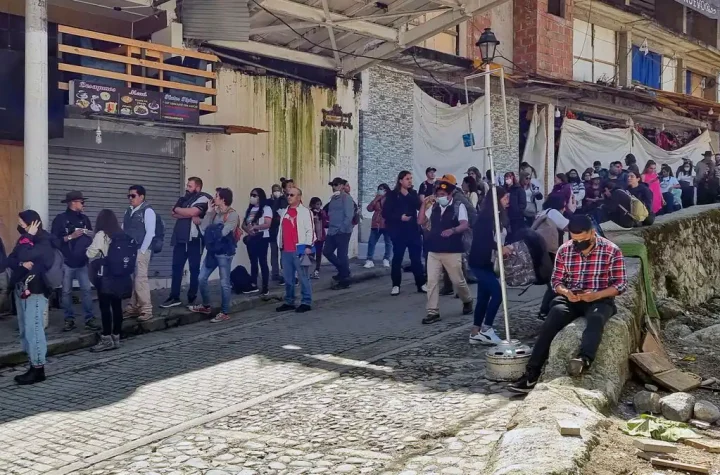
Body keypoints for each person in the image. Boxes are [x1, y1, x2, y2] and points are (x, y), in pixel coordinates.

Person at [509, 215, 627, 393]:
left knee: (596, 319)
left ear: (593, 233)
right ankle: (532, 372)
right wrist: (566, 292)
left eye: (583, 240)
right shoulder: (565, 250)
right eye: (575, 240)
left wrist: (596, 295)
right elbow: (556, 281)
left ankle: (584, 358)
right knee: (553, 316)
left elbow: (620, 284)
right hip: (571, 298)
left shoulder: (611, 250)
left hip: (599, 297)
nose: (579, 245)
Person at [8, 210, 55, 385]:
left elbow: (24, 254)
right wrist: (21, 262)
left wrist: (27, 238)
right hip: (21, 288)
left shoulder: (44, 241)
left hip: (35, 291)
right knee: (25, 331)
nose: (20, 226)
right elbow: (11, 259)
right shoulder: (25, 240)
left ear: (33, 224)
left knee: (33, 330)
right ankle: (32, 364)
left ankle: (38, 368)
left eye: (22, 223)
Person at [417, 180, 473, 325]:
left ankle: (467, 300)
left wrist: (452, 230)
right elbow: (421, 221)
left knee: (458, 281)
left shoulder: (458, 206)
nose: (440, 196)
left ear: (449, 195)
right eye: (438, 194)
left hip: (452, 250)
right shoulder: (434, 207)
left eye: (443, 194)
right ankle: (432, 312)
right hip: (434, 250)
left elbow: (464, 224)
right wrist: (424, 204)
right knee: (432, 282)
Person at [86, 209, 135, 352]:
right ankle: (116, 337)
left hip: (106, 276)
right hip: (121, 276)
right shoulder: (122, 234)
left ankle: (106, 338)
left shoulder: (102, 235)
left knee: (105, 308)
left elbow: (90, 253)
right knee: (117, 306)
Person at [190, 188, 240, 323]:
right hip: (212, 251)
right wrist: (209, 213)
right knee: (201, 278)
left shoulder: (232, 215)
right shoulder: (214, 213)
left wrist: (213, 232)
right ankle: (206, 306)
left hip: (224, 253)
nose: (214, 198)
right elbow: (205, 227)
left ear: (223, 199)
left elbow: (223, 233)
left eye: (217, 196)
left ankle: (224, 312)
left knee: (224, 282)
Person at [468, 187, 509, 345]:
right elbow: (483, 241)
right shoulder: (485, 218)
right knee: (497, 294)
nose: (507, 201)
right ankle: (487, 328)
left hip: (489, 263)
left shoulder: (499, 217)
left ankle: (475, 332)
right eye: (505, 198)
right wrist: (500, 247)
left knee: (484, 298)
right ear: (497, 199)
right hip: (480, 261)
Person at [51, 191, 97, 332]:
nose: (84, 205)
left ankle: (89, 319)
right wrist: (71, 236)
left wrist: (89, 235)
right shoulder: (60, 219)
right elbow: (54, 241)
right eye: (82, 202)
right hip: (66, 261)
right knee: (66, 292)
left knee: (87, 291)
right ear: (73, 203)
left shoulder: (85, 219)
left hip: (83, 261)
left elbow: (91, 236)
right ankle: (69, 320)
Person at [162, 177, 211, 308]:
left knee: (194, 269)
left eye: (190, 186)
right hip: (180, 239)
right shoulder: (184, 198)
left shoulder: (203, 198)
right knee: (176, 268)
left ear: (198, 188)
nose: (187, 188)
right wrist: (187, 213)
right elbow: (173, 213)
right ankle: (174, 296)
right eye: (187, 186)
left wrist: (183, 211)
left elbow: (194, 211)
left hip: (195, 240)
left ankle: (192, 296)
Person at [383, 170, 426, 296]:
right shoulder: (392, 195)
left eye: (411, 178)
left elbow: (419, 206)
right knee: (397, 259)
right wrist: (399, 217)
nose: (410, 181)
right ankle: (396, 285)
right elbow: (386, 213)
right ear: (400, 181)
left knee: (416, 259)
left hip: (413, 231)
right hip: (398, 232)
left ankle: (421, 284)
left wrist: (407, 195)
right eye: (407, 178)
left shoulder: (412, 193)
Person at [275, 187, 314, 313]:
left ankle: (306, 302)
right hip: (286, 249)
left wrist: (308, 246)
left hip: (300, 249)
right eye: (288, 194)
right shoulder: (285, 211)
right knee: (288, 278)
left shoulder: (305, 212)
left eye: (292, 195)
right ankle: (289, 301)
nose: (289, 197)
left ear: (298, 197)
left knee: (303, 277)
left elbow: (310, 230)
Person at [532, 195, 569, 320]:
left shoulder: (542, 212)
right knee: (554, 283)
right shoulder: (553, 212)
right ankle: (544, 311)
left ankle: (546, 310)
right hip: (550, 252)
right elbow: (568, 227)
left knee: (552, 282)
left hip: (541, 250)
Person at [123, 185, 156, 322]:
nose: (130, 198)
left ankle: (146, 309)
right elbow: (123, 228)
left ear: (142, 197)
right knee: (134, 279)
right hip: (130, 250)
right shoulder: (129, 211)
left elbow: (150, 233)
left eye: (133, 196)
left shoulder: (148, 211)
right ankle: (133, 308)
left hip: (141, 250)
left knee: (140, 280)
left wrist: (142, 251)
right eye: (129, 196)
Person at [323, 177, 354, 290]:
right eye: (332, 185)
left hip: (343, 231)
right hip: (332, 230)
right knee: (327, 251)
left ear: (341, 186)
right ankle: (343, 271)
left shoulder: (346, 198)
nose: (333, 187)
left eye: (336, 185)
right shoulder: (333, 199)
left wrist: (342, 229)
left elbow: (349, 216)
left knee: (342, 255)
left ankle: (345, 279)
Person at [242, 188, 273, 295]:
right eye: (251, 195)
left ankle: (265, 287)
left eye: (255, 195)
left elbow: (267, 224)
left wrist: (256, 227)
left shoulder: (266, 208)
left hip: (262, 238)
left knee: (263, 262)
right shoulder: (250, 209)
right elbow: (244, 224)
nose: (252, 197)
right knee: (253, 262)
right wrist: (249, 231)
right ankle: (253, 284)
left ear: (261, 197)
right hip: (251, 238)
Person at [364, 184, 392, 269]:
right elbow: (369, 209)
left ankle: (386, 259)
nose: (380, 191)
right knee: (371, 242)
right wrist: (376, 199)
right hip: (376, 223)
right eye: (379, 189)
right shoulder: (376, 198)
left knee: (388, 243)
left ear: (386, 190)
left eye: (382, 189)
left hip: (387, 223)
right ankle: (369, 260)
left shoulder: (390, 199)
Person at [269, 183, 288, 284]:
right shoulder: (270, 202)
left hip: (282, 231)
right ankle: (275, 274)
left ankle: (285, 274)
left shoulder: (283, 200)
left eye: (277, 190)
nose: (275, 192)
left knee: (283, 254)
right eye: (273, 190)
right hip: (272, 230)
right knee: (274, 253)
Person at [504, 172, 527, 242]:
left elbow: (523, 204)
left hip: (516, 218)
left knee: (516, 236)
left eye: (509, 177)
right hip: (505, 216)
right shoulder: (503, 189)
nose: (507, 179)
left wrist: (517, 211)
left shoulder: (519, 190)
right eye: (506, 177)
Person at [309, 197, 327, 279]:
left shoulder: (322, 212)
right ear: (312, 205)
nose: (318, 206)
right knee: (311, 254)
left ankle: (317, 270)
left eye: (320, 204)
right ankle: (310, 270)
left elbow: (325, 220)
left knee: (319, 254)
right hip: (313, 237)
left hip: (321, 237)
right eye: (317, 204)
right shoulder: (310, 213)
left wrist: (320, 215)